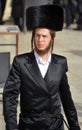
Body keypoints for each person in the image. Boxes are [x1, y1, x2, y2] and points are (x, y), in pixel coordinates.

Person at [3, 4, 81, 130]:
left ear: (52, 38)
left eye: (44, 36)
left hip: (54, 126)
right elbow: (10, 97)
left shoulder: (60, 63)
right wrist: (12, 127)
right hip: (29, 125)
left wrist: (75, 126)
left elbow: (67, 99)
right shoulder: (21, 62)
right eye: (37, 35)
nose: (40, 40)